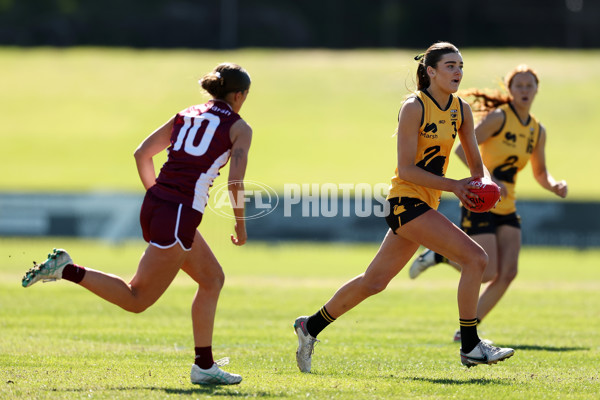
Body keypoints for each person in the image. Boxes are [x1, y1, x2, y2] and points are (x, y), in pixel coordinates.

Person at [21, 63, 253, 385]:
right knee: (137, 299)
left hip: (158, 205)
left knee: (212, 279)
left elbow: (142, 154)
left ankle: (204, 365)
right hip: (178, 214)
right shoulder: (240, 127)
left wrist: (158, 195)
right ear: (239, 95)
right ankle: (66, 269)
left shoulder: (187, 113)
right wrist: (241, 227)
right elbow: (235, 183)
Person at [293, 42, 515, 373]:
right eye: (450, 66)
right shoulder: (414, 107)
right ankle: (470, 346)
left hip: (426, 202)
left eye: (461, 65)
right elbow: (407, 169)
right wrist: (456, 186)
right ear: (431, 72)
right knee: (476, 258)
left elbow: (475, 163)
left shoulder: (461, 110)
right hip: (405, 202)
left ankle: (309, 326)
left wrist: (486, 186)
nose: (458, 71)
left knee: (373, 282)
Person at [409, 64, 568, 342]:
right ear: (510, 90)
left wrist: (554, 184)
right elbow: (462, 151)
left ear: (536, 90)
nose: (524, 90)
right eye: (519, 85)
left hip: (507, 207)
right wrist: (490, 180)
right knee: (487, 270)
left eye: (529, 86)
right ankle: (441, 255)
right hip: (481, 201)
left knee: (508, 273)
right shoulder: (499, 118)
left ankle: (466, 331)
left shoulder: (536, 130)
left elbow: (540, 173)